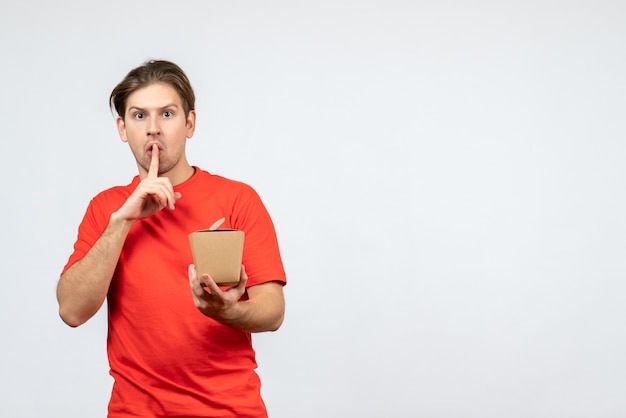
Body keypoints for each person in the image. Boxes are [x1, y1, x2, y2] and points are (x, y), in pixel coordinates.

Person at [57, 59, 287, 418]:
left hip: (229, 409)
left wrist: (231, 311)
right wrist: (122, 222)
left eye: (166, 114)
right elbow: (71, 310)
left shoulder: (238, 199)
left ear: (189, 123)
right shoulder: (106, 209)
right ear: (122, 128)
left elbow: (272, 310)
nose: (152, 129)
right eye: (138, 116)